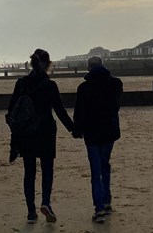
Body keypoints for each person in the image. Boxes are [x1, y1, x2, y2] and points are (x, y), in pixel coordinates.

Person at [7, 48, 74, 224]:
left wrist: (16, 130)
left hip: (26, 133)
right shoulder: (50, 85)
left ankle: (31, 212)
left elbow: (11, 111)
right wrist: (73, 129)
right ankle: (45, 203)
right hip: (46, 131)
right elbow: (59, 110)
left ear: (31, 63)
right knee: (47, 170)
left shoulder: (21, 83)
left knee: (29, 172)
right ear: (48, 64)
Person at [72, 56, 123, 223]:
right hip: (109, 132)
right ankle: (107, 200)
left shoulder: (84, 88)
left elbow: (79, 112)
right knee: (104, 165)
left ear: (88, 68)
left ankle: (99, 208)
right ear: (103, 66)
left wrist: (76, 130)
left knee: (96, 170)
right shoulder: (116, 84)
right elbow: (116, 106)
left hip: (92, 133)